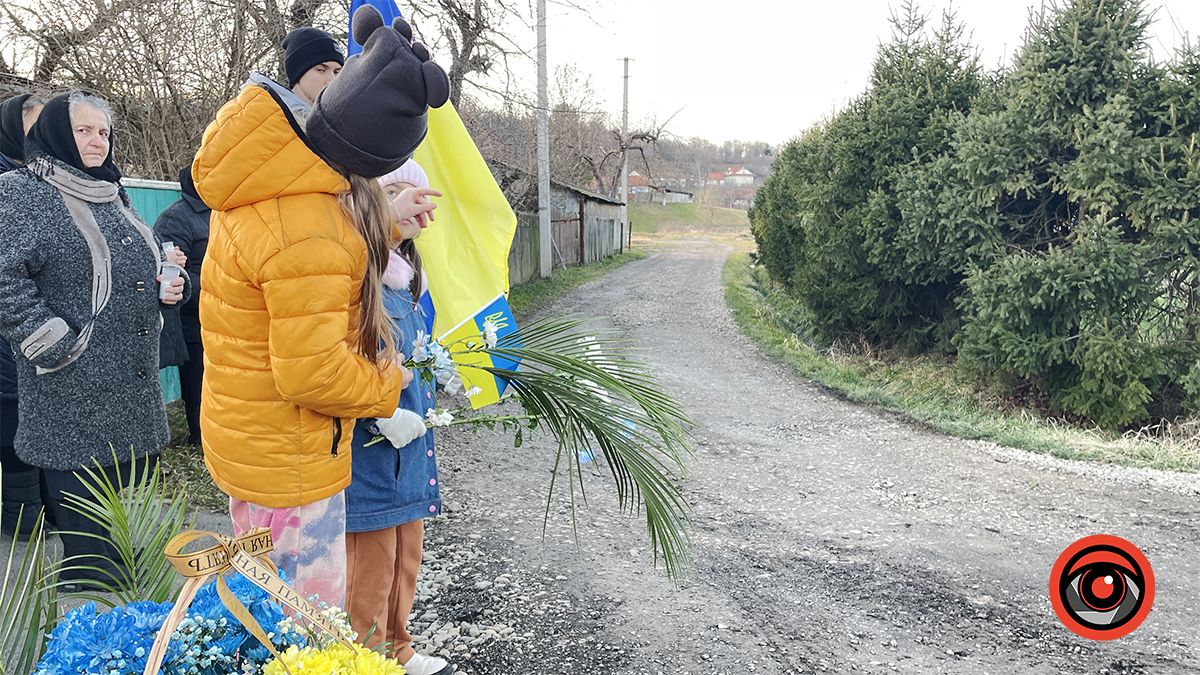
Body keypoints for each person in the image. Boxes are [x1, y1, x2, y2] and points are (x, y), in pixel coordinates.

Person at [192, 5, 449, 607]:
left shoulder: (272, 177)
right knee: (307, 628)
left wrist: (383, 221)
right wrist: (391, 385)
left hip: (251, 441)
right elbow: (312, 368)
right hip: (293, 468)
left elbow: (301, 268)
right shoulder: (309, 224)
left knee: (259, 605)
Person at [0, 91, 187, 587]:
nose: (96, 140)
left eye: (103, 132)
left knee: (121, 498)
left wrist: (168, 283)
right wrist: (50, 340)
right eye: (84, 130)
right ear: (59, 131)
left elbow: (136, 265)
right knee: (84, 513)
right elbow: (5, 279)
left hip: (127, 378)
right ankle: (88, 613)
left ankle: (119, 581)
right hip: (71, 380)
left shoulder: (113, 192)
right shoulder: (21, 191)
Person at [345, 160, 452, 675]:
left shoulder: (410, 281)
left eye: (416, 192)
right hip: (368, 445)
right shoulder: (354, 276)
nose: (410, 204)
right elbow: (342, 362)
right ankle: (364, 657)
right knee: (372, 558)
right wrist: (378, 409)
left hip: (411, 440)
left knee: (407, 552)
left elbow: (419, 351)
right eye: (393, 192)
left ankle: (398, 647)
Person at [0, 92, 46, 539]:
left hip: (31, 341)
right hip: (14, 333)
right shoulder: (9, 184)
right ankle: (23, 524)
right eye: (33, 129)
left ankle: (36, 516)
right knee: (13, 430)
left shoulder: (42, 178)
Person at [153, 165, 211, 445]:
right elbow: (170, 274)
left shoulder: (219, 213)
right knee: (198, 381)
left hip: (221, 315)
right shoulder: (175, 219)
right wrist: (220, 287)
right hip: (192, 318)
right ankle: (200, 437)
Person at [243, 26, 344, 123]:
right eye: (321, 70)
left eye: (336, 72)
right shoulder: (256, 117)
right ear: (298, 72)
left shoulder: (339, 126)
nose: (331, 80)